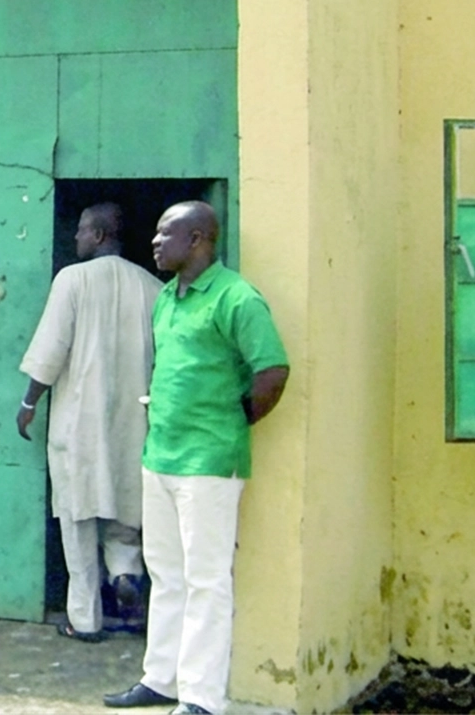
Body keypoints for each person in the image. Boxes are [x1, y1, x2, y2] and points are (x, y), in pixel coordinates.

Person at [104, 202, 289, 715]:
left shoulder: (237, 298)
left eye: (168, 233)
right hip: (160, 454)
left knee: (207, 581)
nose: (155, 242)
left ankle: (203, 699)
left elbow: (273, 370)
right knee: (165, 573)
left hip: (208, 462)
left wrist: (230, 422)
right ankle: (160, 679)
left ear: (200, 239)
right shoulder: (167, 298)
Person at [15, 202, 161, 641]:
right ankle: (127, 579)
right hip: (135, 420)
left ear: (98, 236)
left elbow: (51, 349)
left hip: (79, 421)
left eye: (80, 231)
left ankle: (85, 619)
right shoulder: (152, 287)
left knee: (77, 516)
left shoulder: (72, 280)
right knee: (125, 512)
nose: (74, 238)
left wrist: (29, 402)